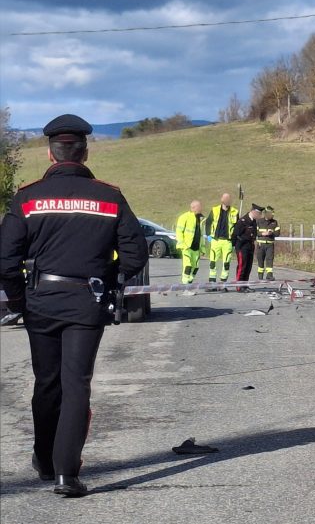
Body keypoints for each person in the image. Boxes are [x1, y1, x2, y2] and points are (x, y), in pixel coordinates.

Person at [0, 114, 148, 497]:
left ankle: (45, 461)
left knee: (46, 383)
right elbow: (135, 254)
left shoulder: (27, 198)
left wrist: (19, 298)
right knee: (76, 383)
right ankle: (67, 474)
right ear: (84, 151)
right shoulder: (110, 196)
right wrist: (109, 279)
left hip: (41, 301)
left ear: (50, 153)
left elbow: (5, 258)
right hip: (87, 301)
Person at [204, 193, 238, 286]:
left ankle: (223, 283)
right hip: (216, 240)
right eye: (225, 198)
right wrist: (208, 235)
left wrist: (234, 241)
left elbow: (237, 227)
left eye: (229, 198)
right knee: (212, 262)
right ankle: (212, 282)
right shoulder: (214, 210)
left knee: (226, 263)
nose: (227, 200)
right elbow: (208, 222)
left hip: (227, 241)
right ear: (221, 199)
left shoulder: (235, 212)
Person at [232, 204, 263, 292]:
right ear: (253, 212)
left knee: (248, 267)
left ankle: (245, 285)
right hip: (242, 247)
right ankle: (239, 286)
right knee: (242, 266)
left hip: (250, 246)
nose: (259, 216)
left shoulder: (254, 222)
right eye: (258, 214)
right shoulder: (243, 221)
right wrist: (234, 246)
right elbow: (235, 234)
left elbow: (254, 234)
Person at [175, 200, 205, 285]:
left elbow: (201, 235)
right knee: (187, 266)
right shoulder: (184, 217)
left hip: (196, 248)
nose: (201, 208)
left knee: (195, 267)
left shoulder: (201, 219)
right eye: (199, 206)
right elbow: (179, 231)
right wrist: (182, 244)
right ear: (193, 208)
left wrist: (202, 249)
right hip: (187, 247)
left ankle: (190, 282)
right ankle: (185, 285)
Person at [255, 205, 280, 280]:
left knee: (269, 259)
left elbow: (278, 233)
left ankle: (269, 275)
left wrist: (271, 233)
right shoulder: (259, 221)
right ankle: (260, 275)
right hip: (260, 244)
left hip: (270, 244)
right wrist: (261, 234)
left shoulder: (274, 222)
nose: (272, 215)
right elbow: (254, 231)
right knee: (260, 260)